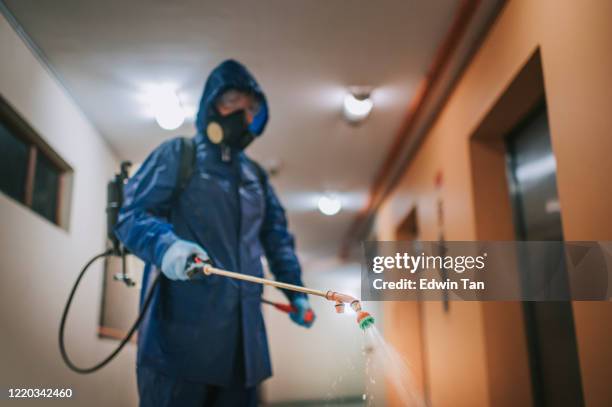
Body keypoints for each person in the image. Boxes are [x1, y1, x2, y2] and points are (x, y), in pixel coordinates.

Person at [115, 59, 315, 407]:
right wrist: (167, 247)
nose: (242, 113)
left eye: (250, 107)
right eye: (232, 101)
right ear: (211, 105)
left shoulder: (256, 177)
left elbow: (276, 238)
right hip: (178, 349)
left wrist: (295, 291)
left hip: (244, 352)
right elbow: (131, 214)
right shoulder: (180, 155)